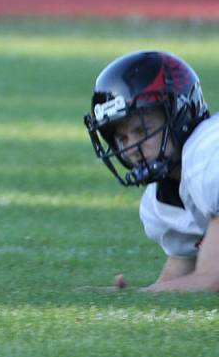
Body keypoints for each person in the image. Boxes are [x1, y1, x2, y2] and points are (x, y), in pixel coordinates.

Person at [84, 50, 219, 292]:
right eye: (122, 138)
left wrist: (145, 295)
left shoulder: (207, 156)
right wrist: (130, 297)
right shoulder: (162, 199)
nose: (131, 148)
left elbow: (211, 280)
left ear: (180, 115)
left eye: (142, 130)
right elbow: (173, 286)